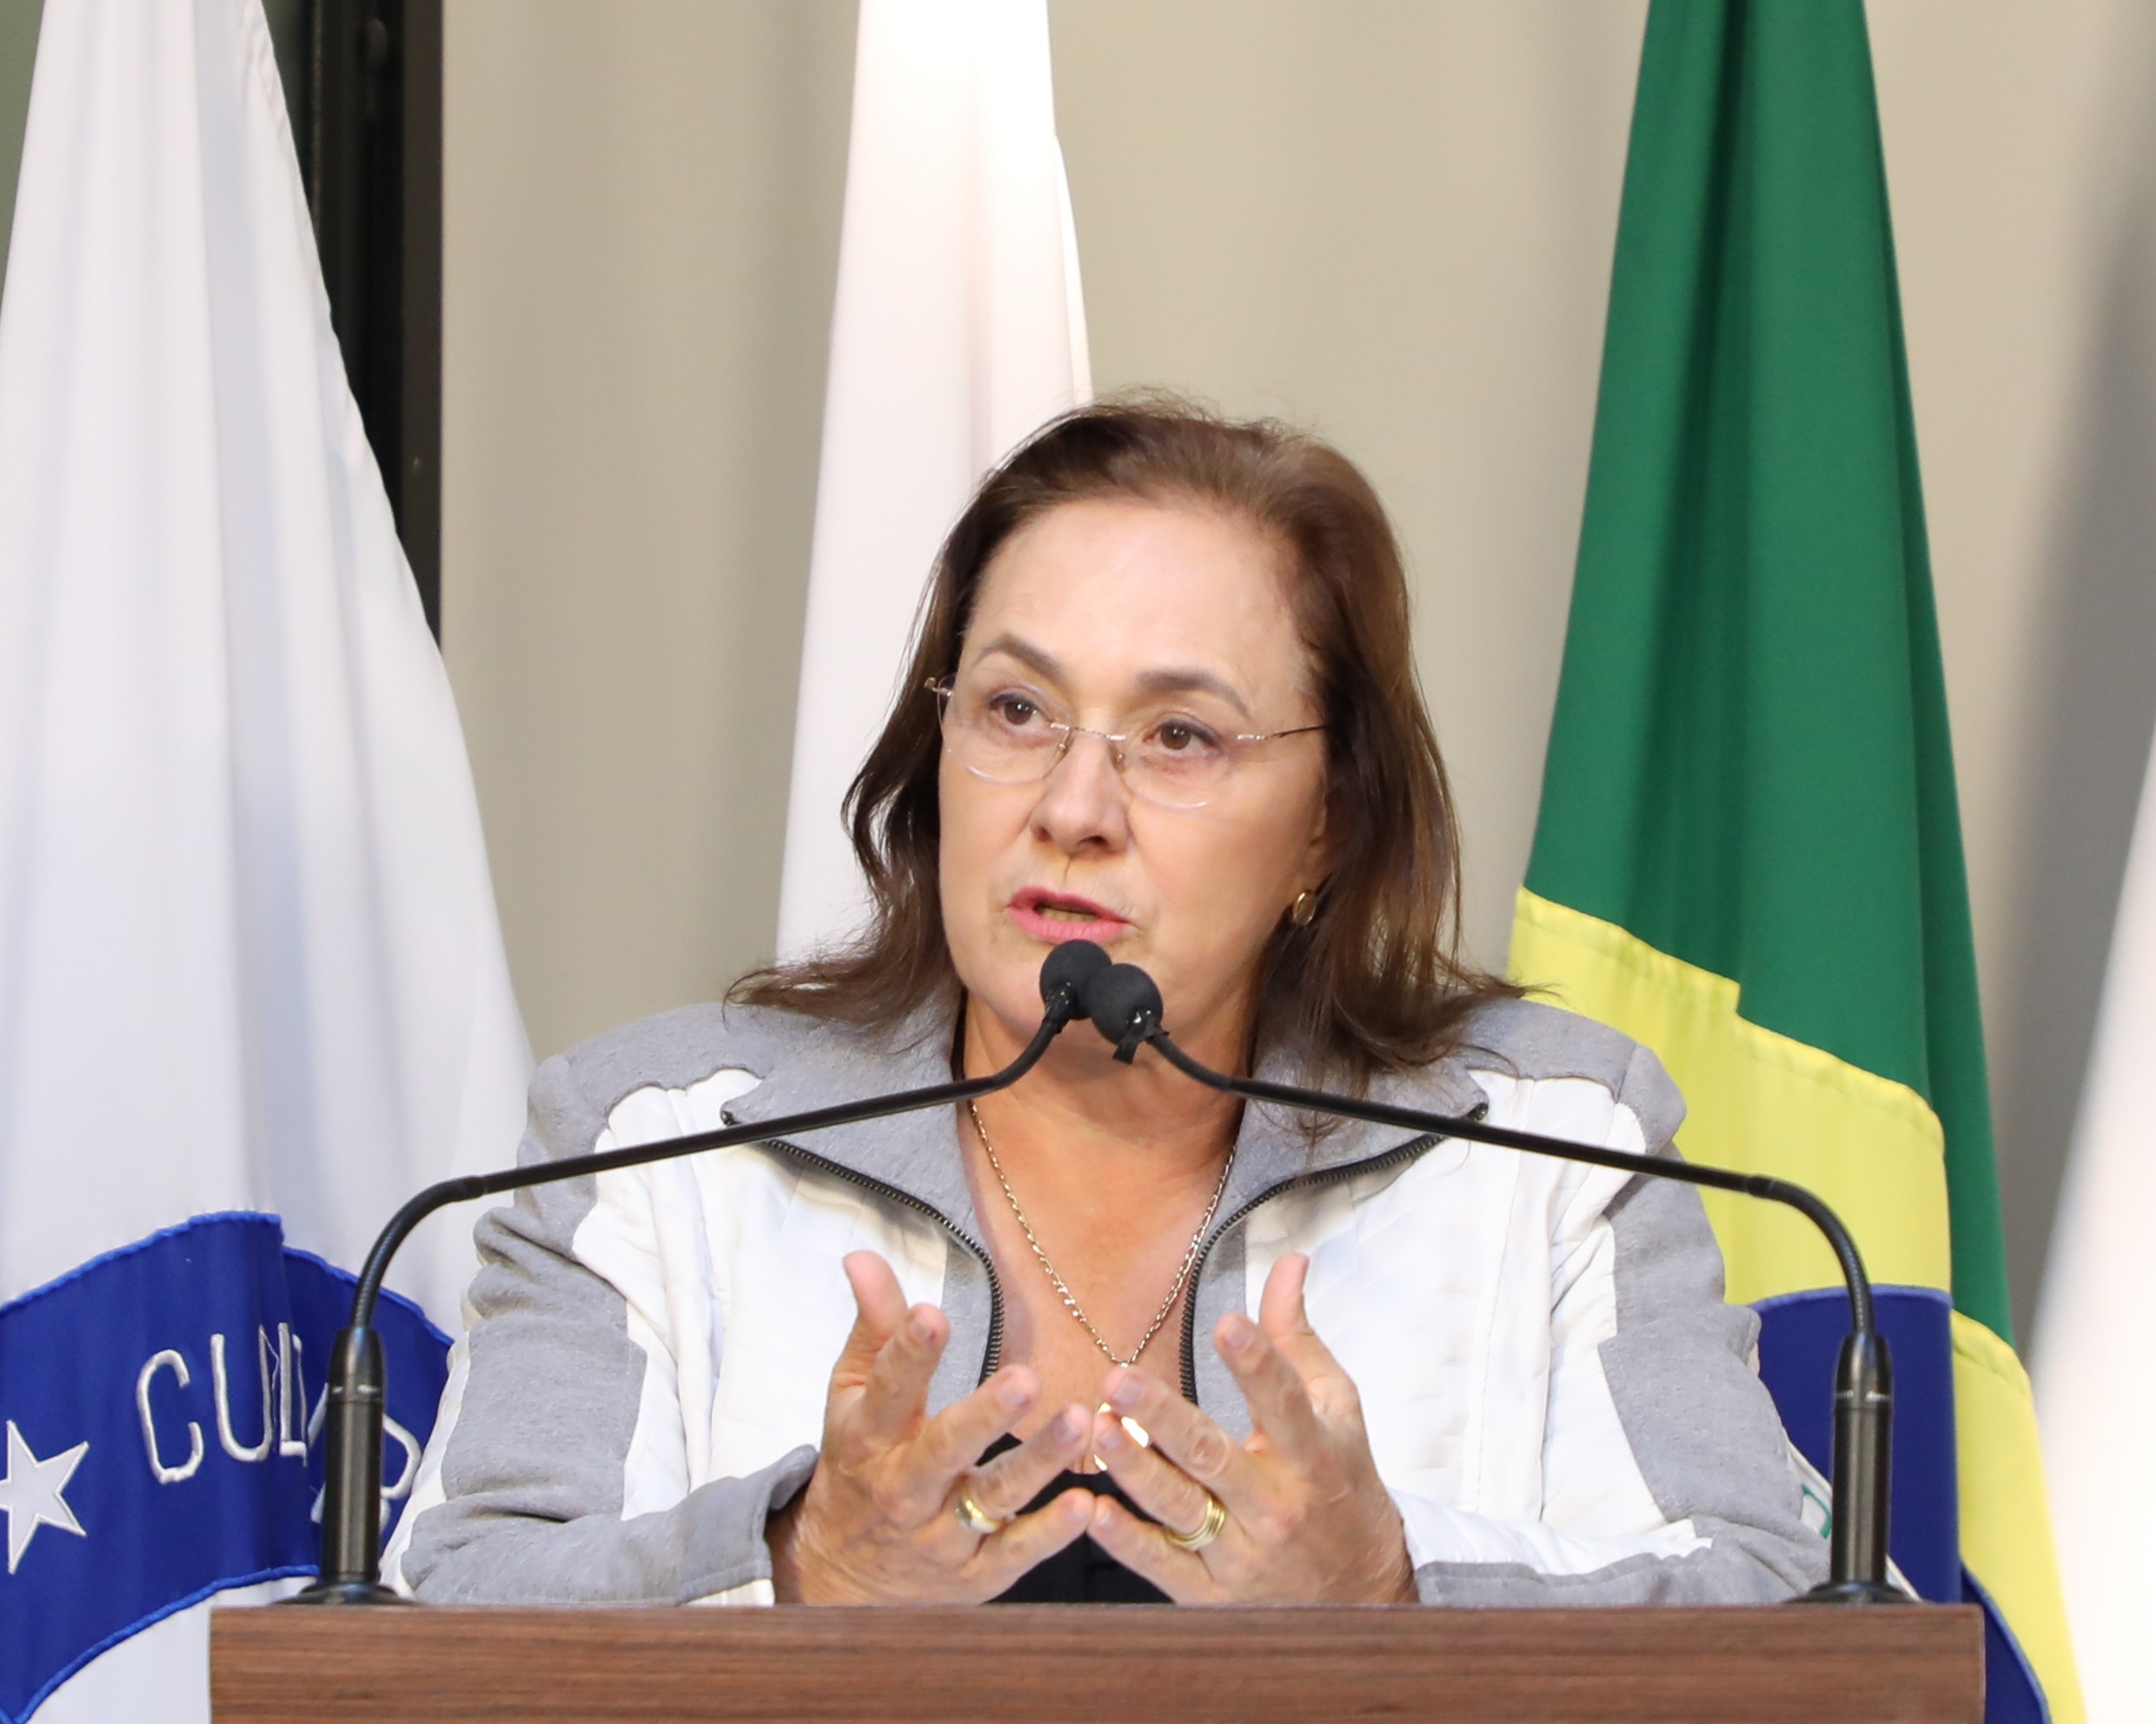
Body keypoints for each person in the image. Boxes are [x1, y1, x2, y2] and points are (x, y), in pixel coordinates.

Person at [388, 398, 1828, 1607]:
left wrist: (1392, 1590)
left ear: (1326, 825)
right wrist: (793, 1568)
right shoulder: (656, 1147)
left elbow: (1778, 1604)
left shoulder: (1548, 1152)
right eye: (1015, 710)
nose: (1073, 808)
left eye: (1180, 735)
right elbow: (451, 1599)